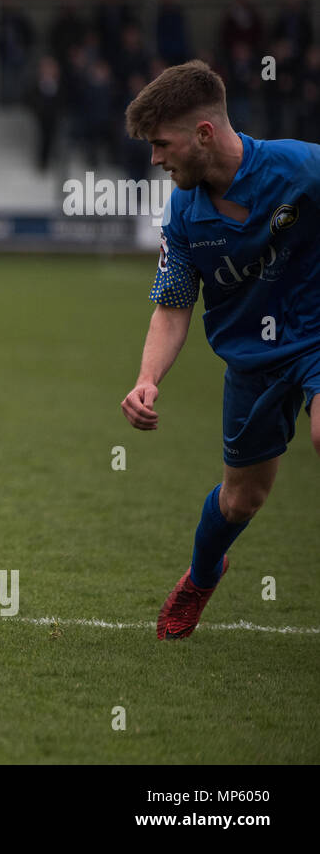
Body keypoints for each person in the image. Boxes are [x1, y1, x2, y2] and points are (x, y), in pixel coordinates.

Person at [119, 60, 320, 639]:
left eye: (161, 144)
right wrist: (146, 379)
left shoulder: (301, 168)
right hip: (252, 362)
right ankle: (202, 577)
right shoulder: (183, 212)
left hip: (316, 335)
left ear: (203, 134)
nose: (156, 159)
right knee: (241, 499)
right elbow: (174, 304)